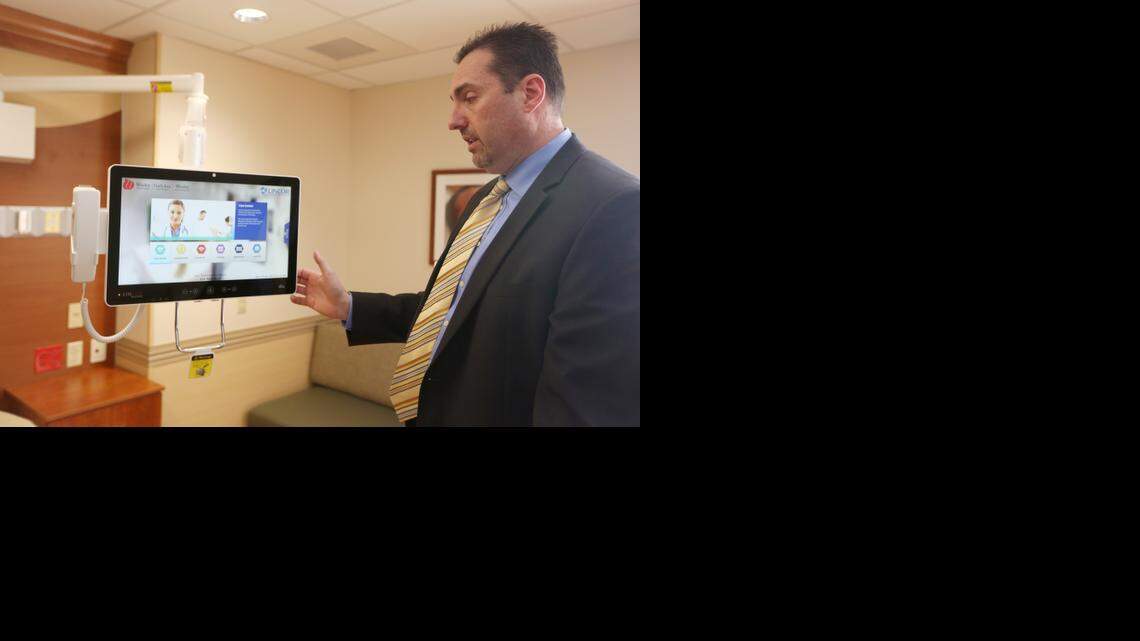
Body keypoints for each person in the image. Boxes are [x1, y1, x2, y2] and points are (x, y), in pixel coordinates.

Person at [291, 22, 640, 426]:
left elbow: (586, 403)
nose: (454, 120)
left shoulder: (614, 205)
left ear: (530, 94)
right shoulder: (485, 198)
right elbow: (445, 312)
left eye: (469, 98)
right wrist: (349, 306)